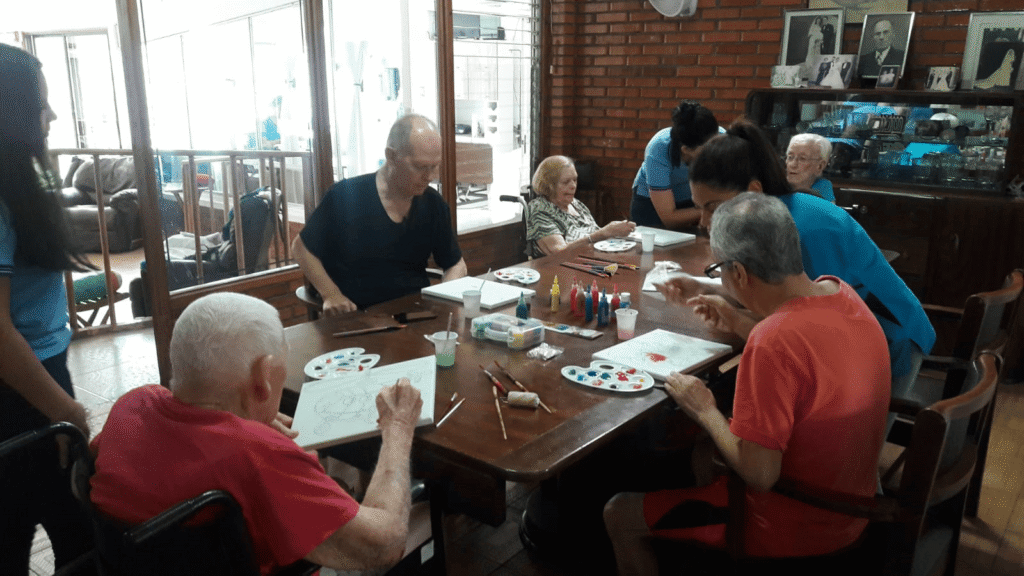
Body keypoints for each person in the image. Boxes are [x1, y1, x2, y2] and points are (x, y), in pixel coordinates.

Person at [604, 193, 891, 573]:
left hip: (796, 528)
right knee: (704, 451)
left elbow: (760, 475)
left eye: (718, 270)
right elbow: (805, 353)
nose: (719, 279)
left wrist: (705, 411)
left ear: (738, 273)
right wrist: (738, 321)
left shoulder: (774, 340)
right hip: (854, 505)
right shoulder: (840, 292)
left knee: (618, 512)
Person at [90, 292, 423, 574]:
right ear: (263, 377)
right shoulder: (257, 456)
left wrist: (244, 424)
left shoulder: (131, 405)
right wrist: (398, 428)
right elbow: (384, 545)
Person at [669, 119, 935, 407]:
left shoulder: (801, 228)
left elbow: (810, 329)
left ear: (753, 191)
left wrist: (735, 318)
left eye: (712, 207)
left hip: (892, 341)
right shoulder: (769, 216)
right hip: (845, 341)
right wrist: (705, 286)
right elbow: (779, 300)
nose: (705, 222)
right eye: (699, 208)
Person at [0, 44, 95, 573]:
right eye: (41, 103)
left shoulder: (26, 174)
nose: (53, 115)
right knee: (51, 529)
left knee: (74, 525)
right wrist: (66, 409)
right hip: (19, 392)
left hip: (42, 374)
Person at [293, 114, 467, 314]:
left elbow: (456, 264)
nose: (429, 177)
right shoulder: (347, 196)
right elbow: (301, 248)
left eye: (434, 167)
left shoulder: (432, 203)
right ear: (391, 156)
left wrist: (445, 293)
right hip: (356, 317)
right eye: (420, 167)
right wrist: (330, 294)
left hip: (415, 315)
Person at [629, 100, 720, 230]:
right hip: (652, 206)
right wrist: (711, 211)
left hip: (692, 201)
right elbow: (669, 219)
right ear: (686, 150)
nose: (714, 151)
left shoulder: (720, 140)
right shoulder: (658, 149)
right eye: (707, 149)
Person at [526, 155, 635, 257]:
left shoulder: (576, 204)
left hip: (592, 261)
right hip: (561, 271)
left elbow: (595, 235)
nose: (573, 186)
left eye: (575, 180)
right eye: (566, 182)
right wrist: (604, 233)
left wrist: (614, 231)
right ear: (549, 185)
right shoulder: (540, 209)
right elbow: (557, 252)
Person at [785, 133, 834, 202]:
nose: (792, 165)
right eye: (790, 157)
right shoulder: (775, 185)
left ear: (820, 166)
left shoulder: (823, 187)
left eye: (802, 159)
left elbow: (829, 211)